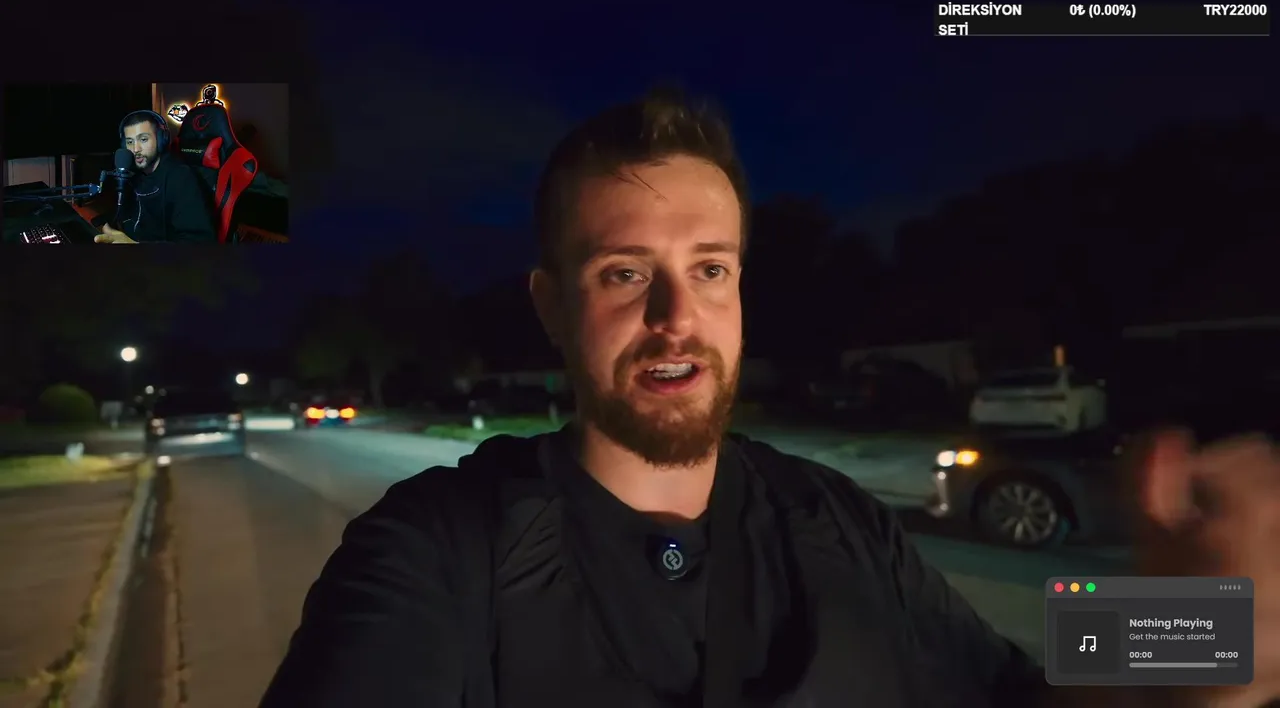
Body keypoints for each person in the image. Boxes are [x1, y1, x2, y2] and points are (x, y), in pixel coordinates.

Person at [260, 92, 1280, 707]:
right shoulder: (432, 551)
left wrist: (1191, 627)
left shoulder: (837, 519)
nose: (676, 317)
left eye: (710, 269)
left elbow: (1021, 692)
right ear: (550, 308)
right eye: (625, 274)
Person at [95, 110, 217, 243]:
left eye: (143, 139)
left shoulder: (181, 178)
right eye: (130, 142)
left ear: (160, 139)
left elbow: (199, 242)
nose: (135, 149)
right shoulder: (134, 174)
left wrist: (137, 248)